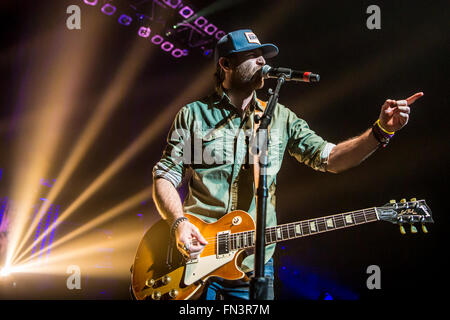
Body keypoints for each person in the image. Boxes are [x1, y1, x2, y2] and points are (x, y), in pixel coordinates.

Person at [151, 29, 423, 300]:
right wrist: (179, 223)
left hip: (253, 266)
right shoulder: (194, 116)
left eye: (263, 56)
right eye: (253, 56)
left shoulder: (282, 118)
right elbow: (165, 175)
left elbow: (330, 158)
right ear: (226, 64)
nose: (262, 62)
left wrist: (380, 131)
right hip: (193, 257)